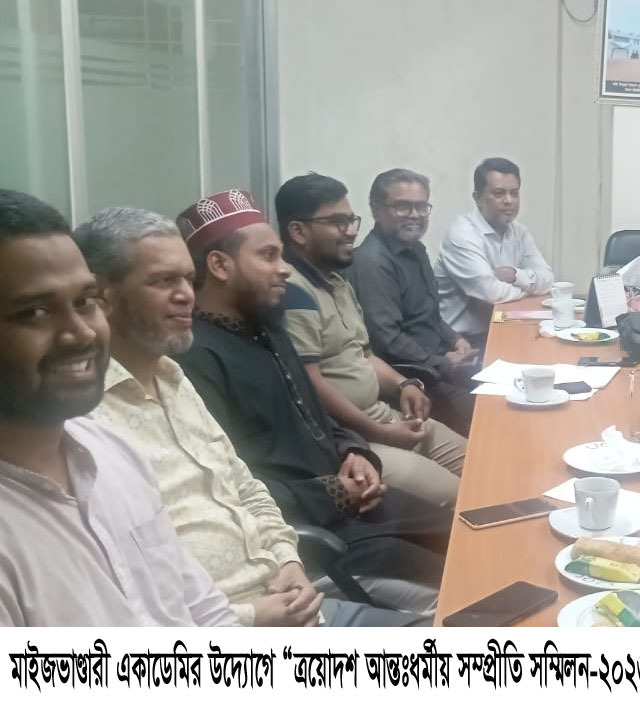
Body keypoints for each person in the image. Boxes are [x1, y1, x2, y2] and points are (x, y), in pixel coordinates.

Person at [76, 206, 428, 626]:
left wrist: (288, 560)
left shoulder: (176, 375)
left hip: (289, 576)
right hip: (255, 597)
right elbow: (133, 590)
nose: (186, 294)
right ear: (101, 297)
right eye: (163, 281)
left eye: (187, 278)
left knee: (462, 543)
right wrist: (251, 614)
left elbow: (244, 486)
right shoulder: (88, 420)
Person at [171, 188, 449, 612]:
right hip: (314, 537)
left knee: (462, 532)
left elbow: (316, 416)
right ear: (220, 265)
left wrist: (354, 451)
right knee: (459, 586)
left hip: (354, 502)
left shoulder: (267, 328)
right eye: (268, 256)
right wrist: (333, 493)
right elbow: (230, 486)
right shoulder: (196, 360)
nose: (284, 269)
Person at [0, 189, 236, 627]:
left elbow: (205, 610)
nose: (81, 333)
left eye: (84, 302)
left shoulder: (111, 451)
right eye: (34, 312)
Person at [276, 173, 465, 510]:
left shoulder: (337, 281)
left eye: (350, 220)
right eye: (337, 222)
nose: (350, 231)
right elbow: (311, 385)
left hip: (384, 414)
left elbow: (365, 354)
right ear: (298, 232)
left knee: (482, 464)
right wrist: (381, 433)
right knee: (461, 496)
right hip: (355, 440)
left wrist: (404, 383)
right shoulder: (293, 292)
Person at [348, 168, 479, 435]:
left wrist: (455, 339)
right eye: (403, 206)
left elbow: (429, 314)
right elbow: (387, 339)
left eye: (421, 206)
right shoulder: (373, 263)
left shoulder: (416, 249)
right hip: (417, 377)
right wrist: (443, 363)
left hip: (440, 361)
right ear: (376, 210)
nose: (415, 215)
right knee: (490, 418)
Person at [436, 157, 554, 343]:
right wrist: (530, 289)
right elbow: (490, 292)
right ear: (478, 198)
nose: (509, 201)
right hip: (461, 341)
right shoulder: (462, 234)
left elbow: (547, 279)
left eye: (514, 193)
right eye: (499, 193)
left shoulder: (519, 232)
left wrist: (515, 275)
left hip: (505, 325)